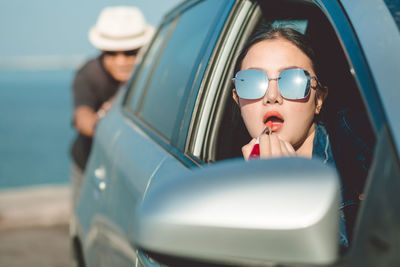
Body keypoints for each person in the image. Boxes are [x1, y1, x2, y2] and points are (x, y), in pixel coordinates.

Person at [231, 25, 349, 247]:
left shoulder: (358, 142)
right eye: (252, 82)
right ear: (237, 99)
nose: (272, 96)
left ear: (319, 99)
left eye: (293, 80)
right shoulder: (227, 192)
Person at [70, 6, 154, 208]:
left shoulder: (152, 74)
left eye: (130, 52)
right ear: (101, 52)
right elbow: (82, 117)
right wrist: (103, 122)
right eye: (112, 53)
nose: (121, 61)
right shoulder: (88, 74)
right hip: (87, 162)